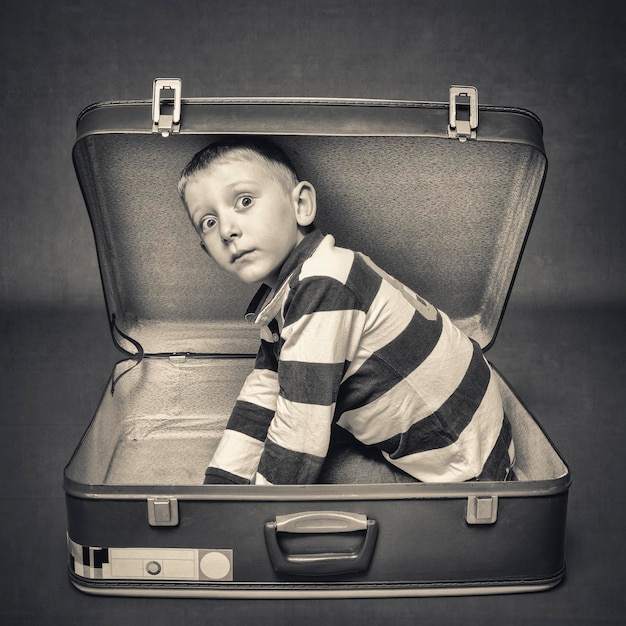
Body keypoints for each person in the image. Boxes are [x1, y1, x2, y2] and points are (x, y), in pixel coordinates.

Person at [177, 137, 515, 485]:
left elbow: (300, 435)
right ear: (207, 250)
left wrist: (250, 514)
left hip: (467, 465)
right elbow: (263, 390)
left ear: (302, 205)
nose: (228, 231)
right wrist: (221, 486)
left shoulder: (324, 284)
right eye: (208, 222)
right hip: (474, 433)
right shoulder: (293, 291)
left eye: (244, 201)